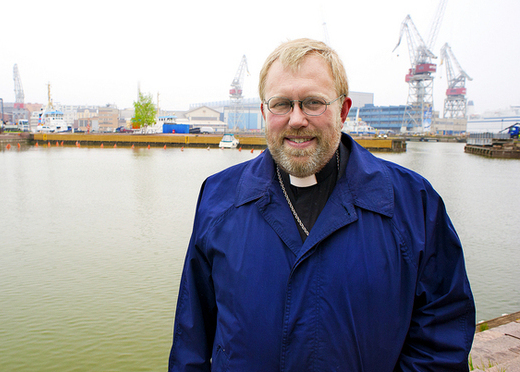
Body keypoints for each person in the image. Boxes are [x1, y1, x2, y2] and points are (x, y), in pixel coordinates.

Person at [168, 38, 475, 371]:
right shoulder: (219, 197)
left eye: (313, 102)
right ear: (263, 112)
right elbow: (191, 336)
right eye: (282, 104)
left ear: (343, 110)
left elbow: (441, 337)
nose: (297, 119)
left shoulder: (414, 204)